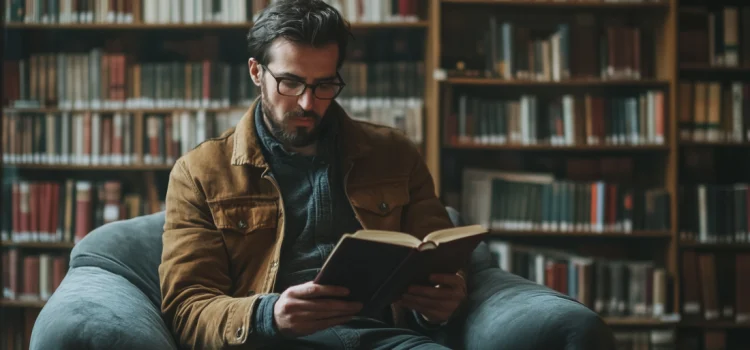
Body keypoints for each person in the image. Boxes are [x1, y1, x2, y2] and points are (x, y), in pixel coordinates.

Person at [158, 0, 465, 348]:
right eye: (290, 82)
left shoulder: (394, 154)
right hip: (270, 340)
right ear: (256, 72)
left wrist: (439, 304)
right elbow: (186, 309)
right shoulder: (200, 173)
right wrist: (269, 315)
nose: (307, 103)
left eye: (324, 85)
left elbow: (440, 259)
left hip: (384, 338)